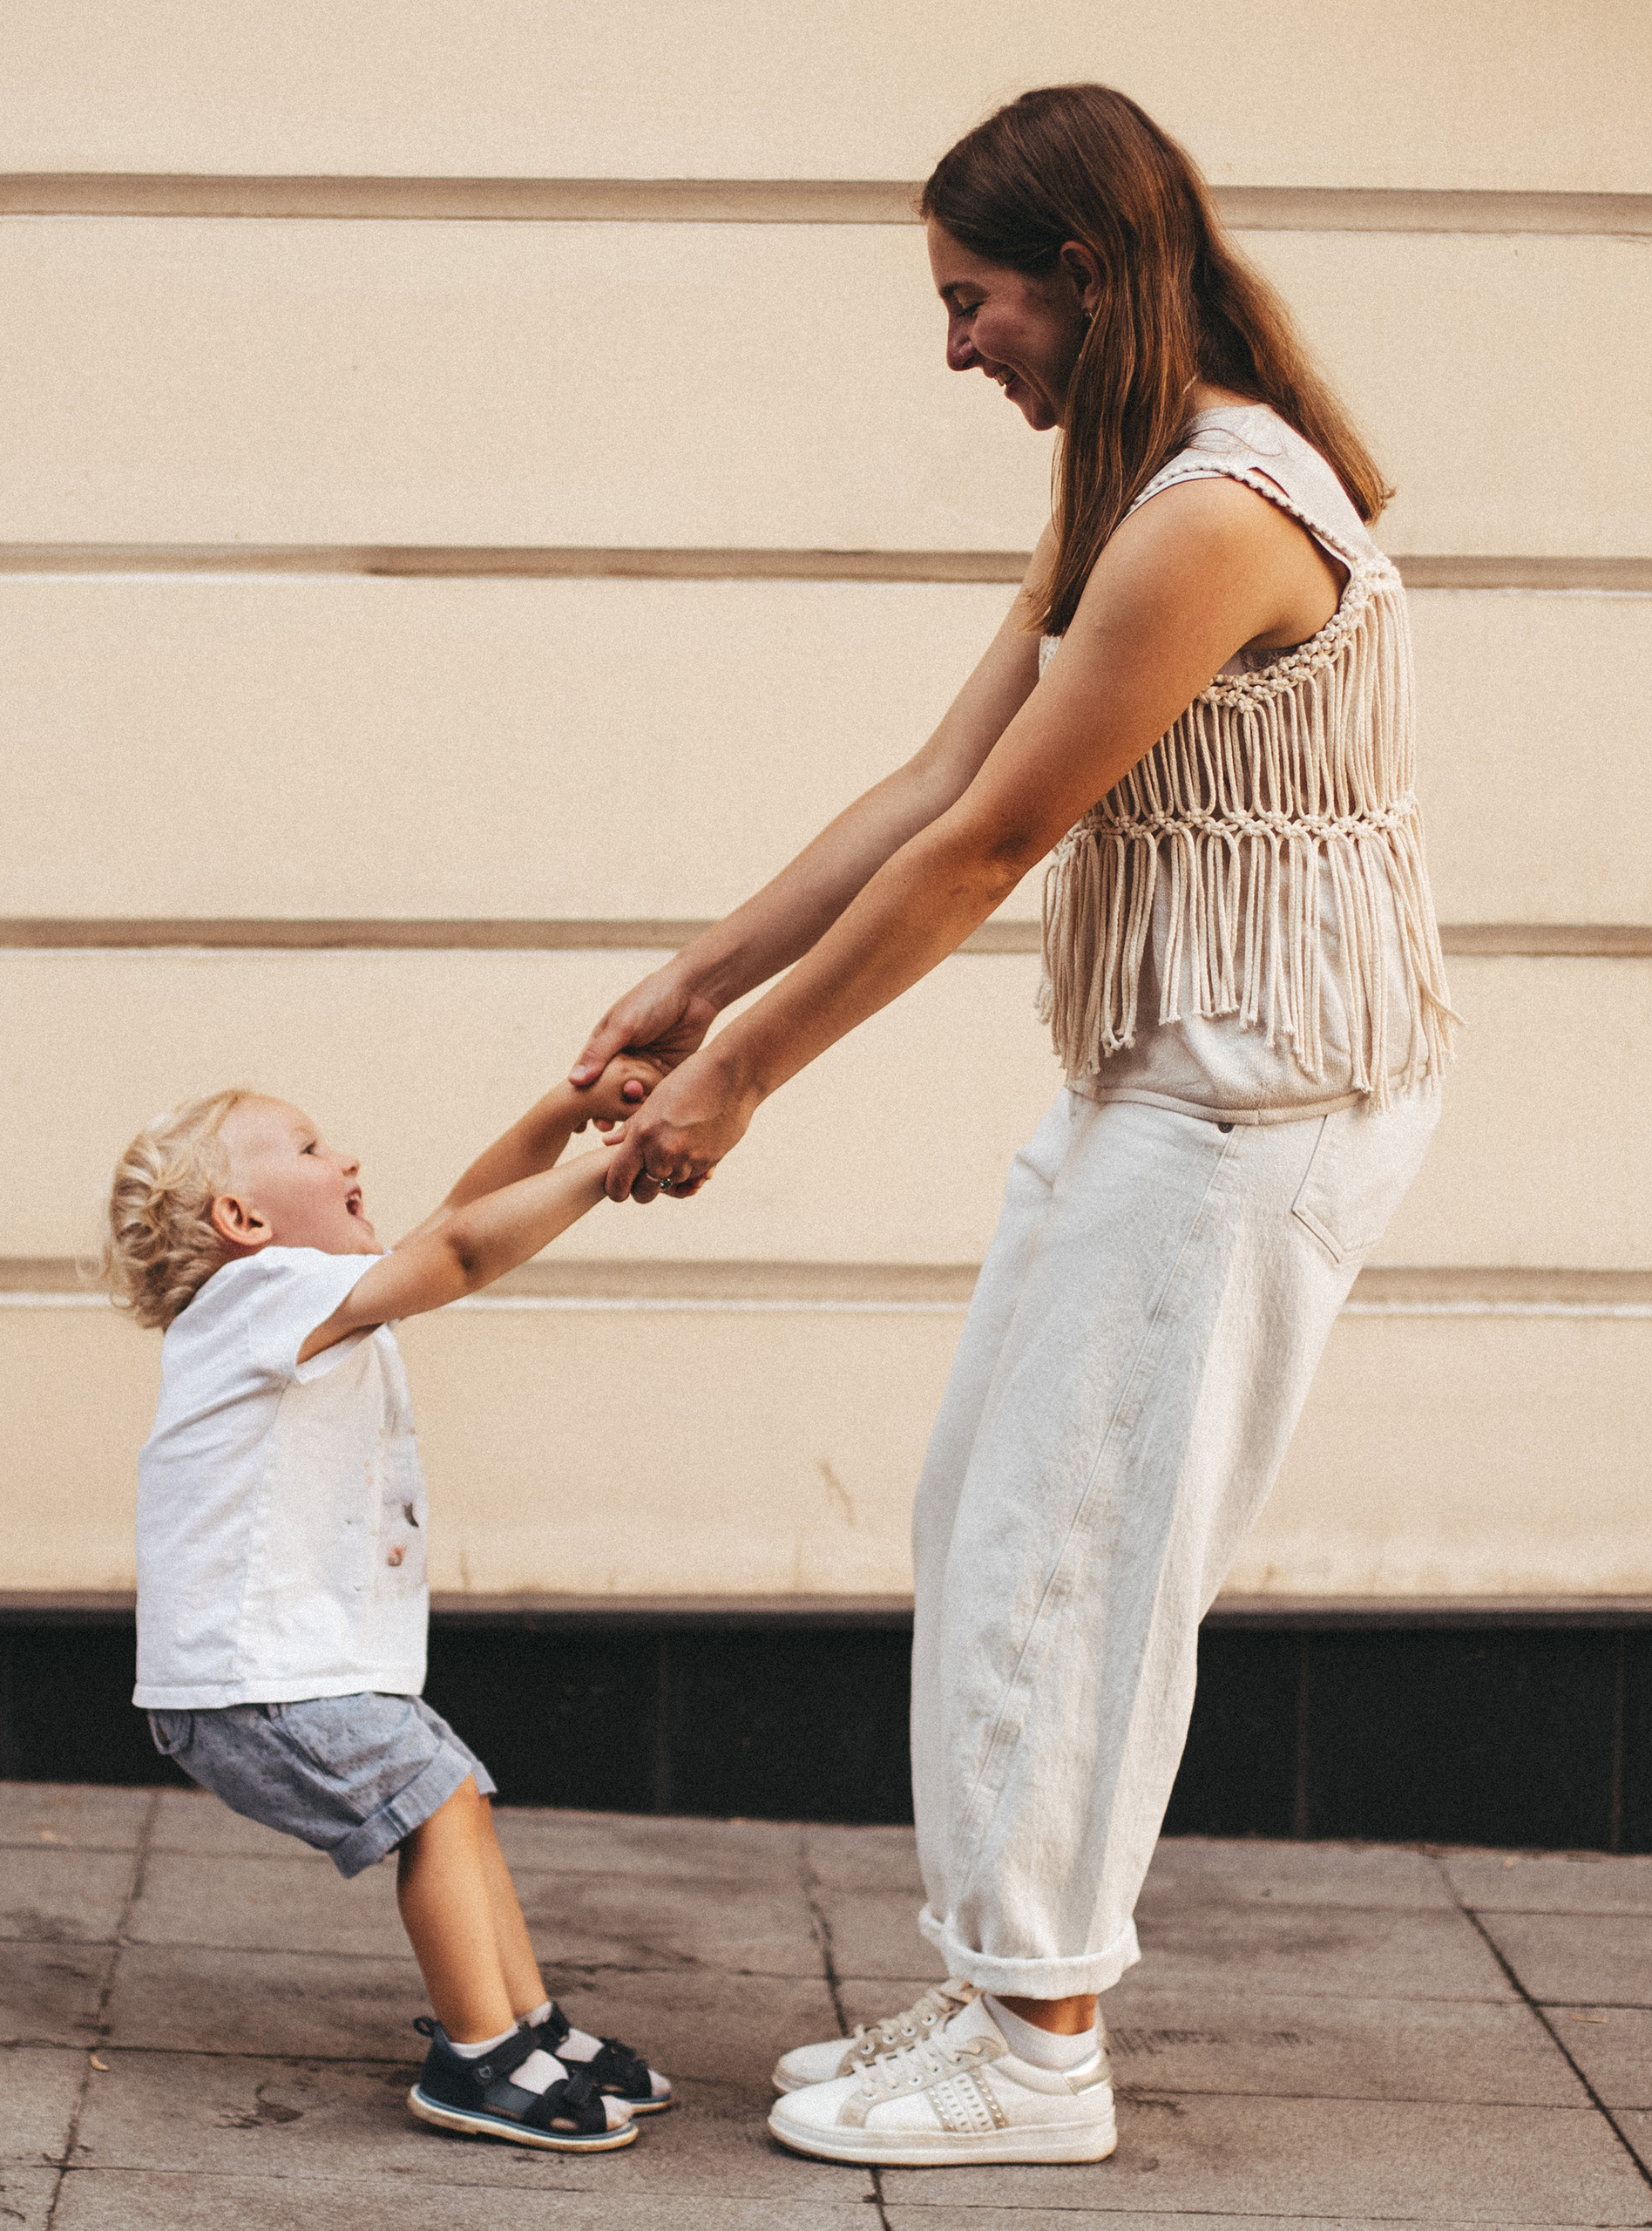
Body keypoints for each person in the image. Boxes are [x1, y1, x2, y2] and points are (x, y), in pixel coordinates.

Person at [570, 84, 1459, 2166]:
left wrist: (742, 1075)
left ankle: (1040, 2037)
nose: (953, 345)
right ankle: (997, 1980)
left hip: (1259, 1096)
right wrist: (691, 978)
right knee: (984, 1514)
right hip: (1156, 1072)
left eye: (968, 300)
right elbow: (929, 773)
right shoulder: (1125, 478)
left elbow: (988, 844)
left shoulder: (1221, 509)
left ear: (1079, 270)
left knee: (1071, 1555)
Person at [103, 1067, 675, 2152]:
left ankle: (527, 2024)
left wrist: (561, 1112)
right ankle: (479, 2057)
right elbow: (461, 1253)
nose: (348, 1160)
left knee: (454, 1796)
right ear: (243, 1218)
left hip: (304, 1665)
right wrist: (618, 1162)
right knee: (436, 1805)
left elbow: (461, 1220)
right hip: (255, 1679)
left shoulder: (292, 1297)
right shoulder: (261, 1294)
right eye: (313, 1149)